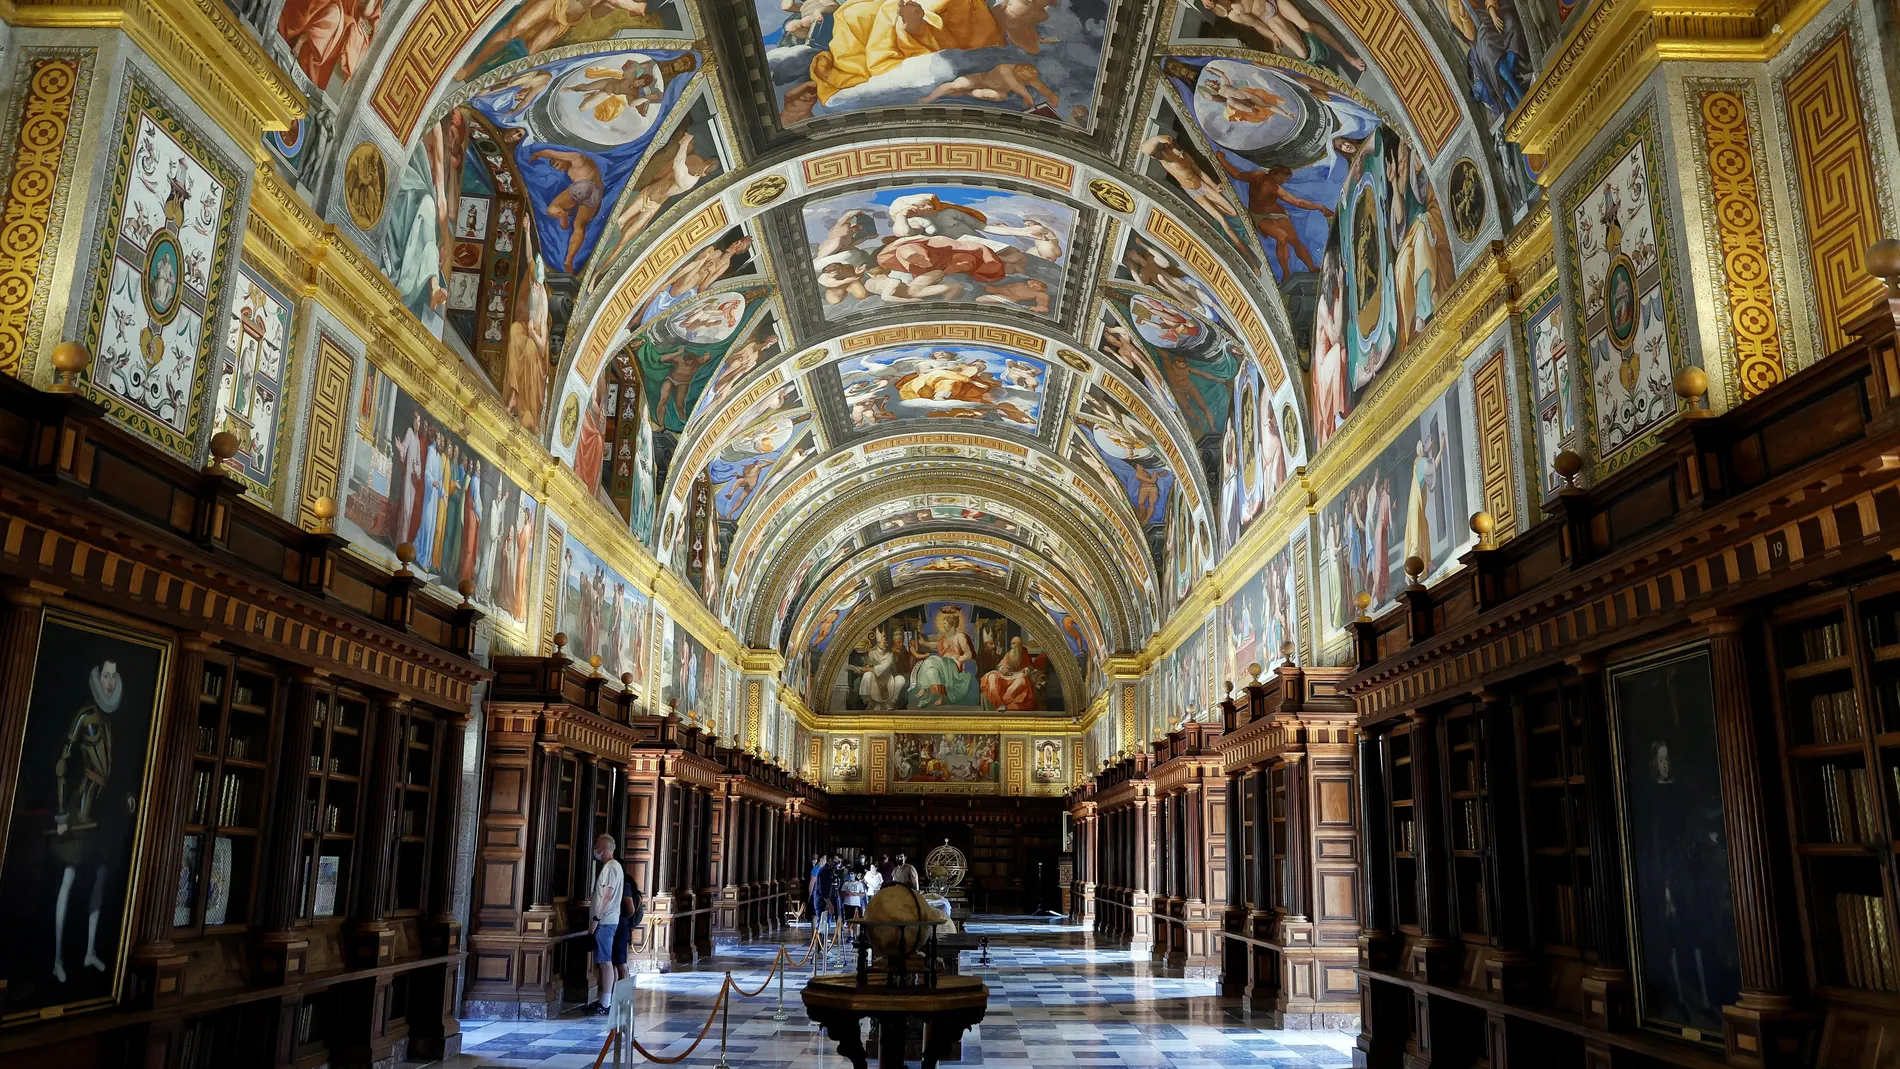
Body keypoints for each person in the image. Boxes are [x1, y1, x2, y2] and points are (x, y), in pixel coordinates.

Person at [585, 834, 623, 1015]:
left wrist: (595, 919)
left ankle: (606, 1003)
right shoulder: (615, 867)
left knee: (605, 962)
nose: (595, 849)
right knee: (607, 962)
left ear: (605, 848)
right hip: (609, 920)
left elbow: (606, 895)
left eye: (597, 846)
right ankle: (606, 1000)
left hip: (605, 921)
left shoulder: (610, 868)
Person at [612, 863, 644, 979]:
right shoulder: (627, 883)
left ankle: (622, 994)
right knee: (615, 963)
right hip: (621, 925)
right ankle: (615, 992)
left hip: (620, 925)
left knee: (620, 963)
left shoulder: (625, 885)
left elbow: (630, 909)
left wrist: (625, 919)